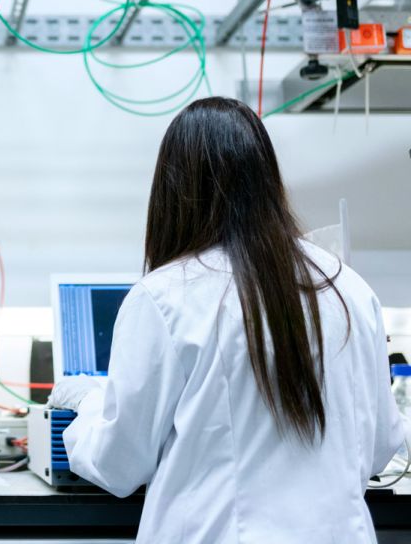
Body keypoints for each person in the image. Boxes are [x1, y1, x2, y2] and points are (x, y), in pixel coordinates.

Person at [50, 97, 404, 543]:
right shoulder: (346, 287)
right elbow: (378, 450)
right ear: (268, 180)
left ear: (173, 191)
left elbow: (119, 464)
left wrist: (87, 407)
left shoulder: (166, 297)